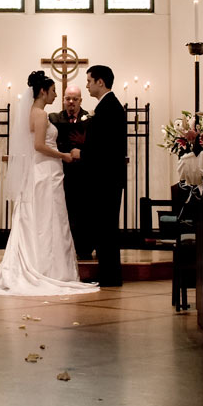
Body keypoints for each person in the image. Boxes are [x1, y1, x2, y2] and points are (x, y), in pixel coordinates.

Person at [0, 71, 97, 296]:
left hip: (42, 170)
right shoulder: (41, 115)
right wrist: (63, 155)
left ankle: (41, 263)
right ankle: (48, 268)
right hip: (45, 170)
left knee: (41, 218)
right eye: (53, 91)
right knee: (47, 219)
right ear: (43, 91)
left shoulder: (32, 112)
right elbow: (38, 146)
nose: (56, 95)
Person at [71, 65, 127, 287]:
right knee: (105, 227)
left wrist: (81, 153)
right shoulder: (107, 106)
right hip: (107, 178)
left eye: (89, 81)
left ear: (100, 82)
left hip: (107, 179)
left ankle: (111, 277)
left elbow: (106, 148)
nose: (87, 85)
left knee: (107, 227)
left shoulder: (109, 108)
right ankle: (108, 274)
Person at [49, 84, 92, 260]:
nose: (71, 102)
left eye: (75, 99)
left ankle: (83, 248)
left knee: (83, 211)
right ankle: (61, 249)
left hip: (83, 173)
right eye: (68, 98)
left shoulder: (89, 119)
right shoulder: (54, 118)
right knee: (62, 209)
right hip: (61, 171)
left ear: (81, 100)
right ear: (63, 100)